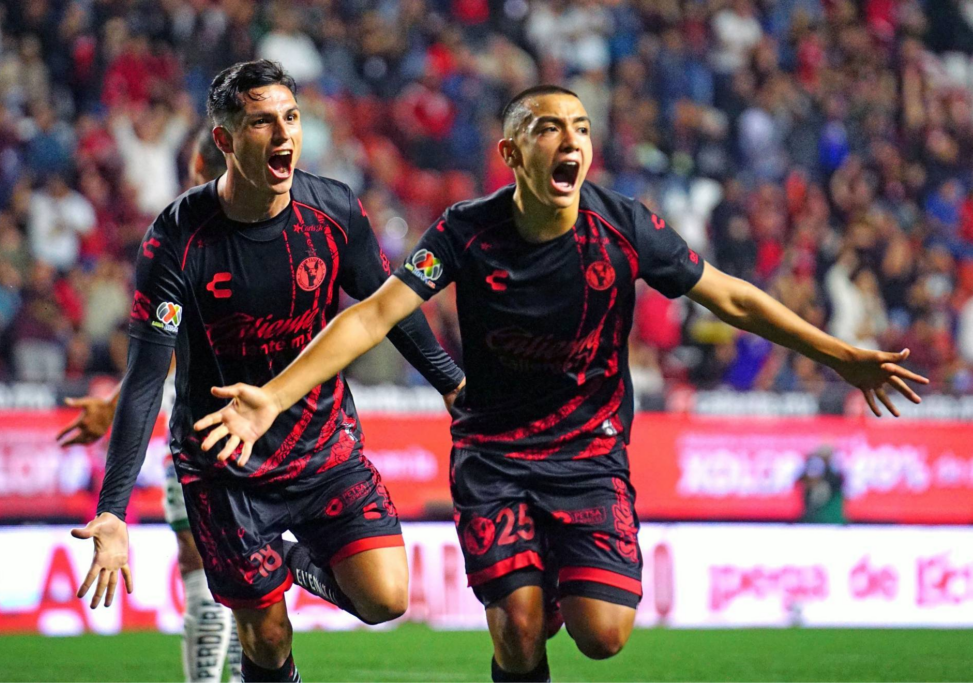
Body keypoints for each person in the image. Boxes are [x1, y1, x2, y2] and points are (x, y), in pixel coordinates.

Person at [192, 85, 929, 682]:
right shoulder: (463, 232)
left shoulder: (624, 226)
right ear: (513, 153)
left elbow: (729, 295)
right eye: (548, 127)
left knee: (603, 636)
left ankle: (551, 597)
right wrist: (274, 393)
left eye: (579, 126)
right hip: (494, 457)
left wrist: (837, 353)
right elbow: (375, 313)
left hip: (589, 458)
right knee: (516, 629)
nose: (570, 138)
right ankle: (522, 622)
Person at [69, 60, 465, 683]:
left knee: (386, 598)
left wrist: (452, 383)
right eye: (261, 123)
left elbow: (387, 305)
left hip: (323, 449)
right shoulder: (176, 239)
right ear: (224, 141)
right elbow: (147, 379)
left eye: (290, 118)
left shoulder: (333, 211)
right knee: (268, 639)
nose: (283, 135)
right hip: (225, 465)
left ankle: (286, 558)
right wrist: (114, 510)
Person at [58, 128, 244, 683]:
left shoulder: (183, 242)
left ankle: (213, 680)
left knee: (210, 567)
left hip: (204, 432)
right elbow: (159, 354)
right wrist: (116, 403)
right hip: (256, 432)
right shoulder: (258, 239)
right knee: (237, 571)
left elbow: (160, 353)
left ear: (202, 167)